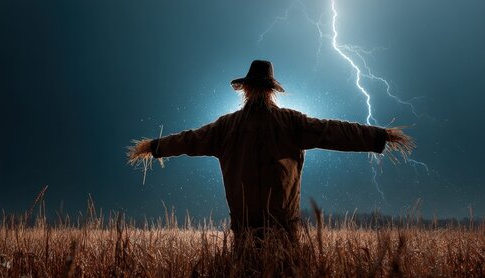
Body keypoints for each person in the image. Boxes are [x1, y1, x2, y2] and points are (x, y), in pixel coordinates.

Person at [128, 60, 414, 248]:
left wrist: (154, 147)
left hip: (245, 233)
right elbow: (333, 130)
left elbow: (189, 140)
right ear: (271, 91)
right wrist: (380, 136)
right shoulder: (291, 122)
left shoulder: (225, 127)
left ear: (246, 90)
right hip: (284, 233)